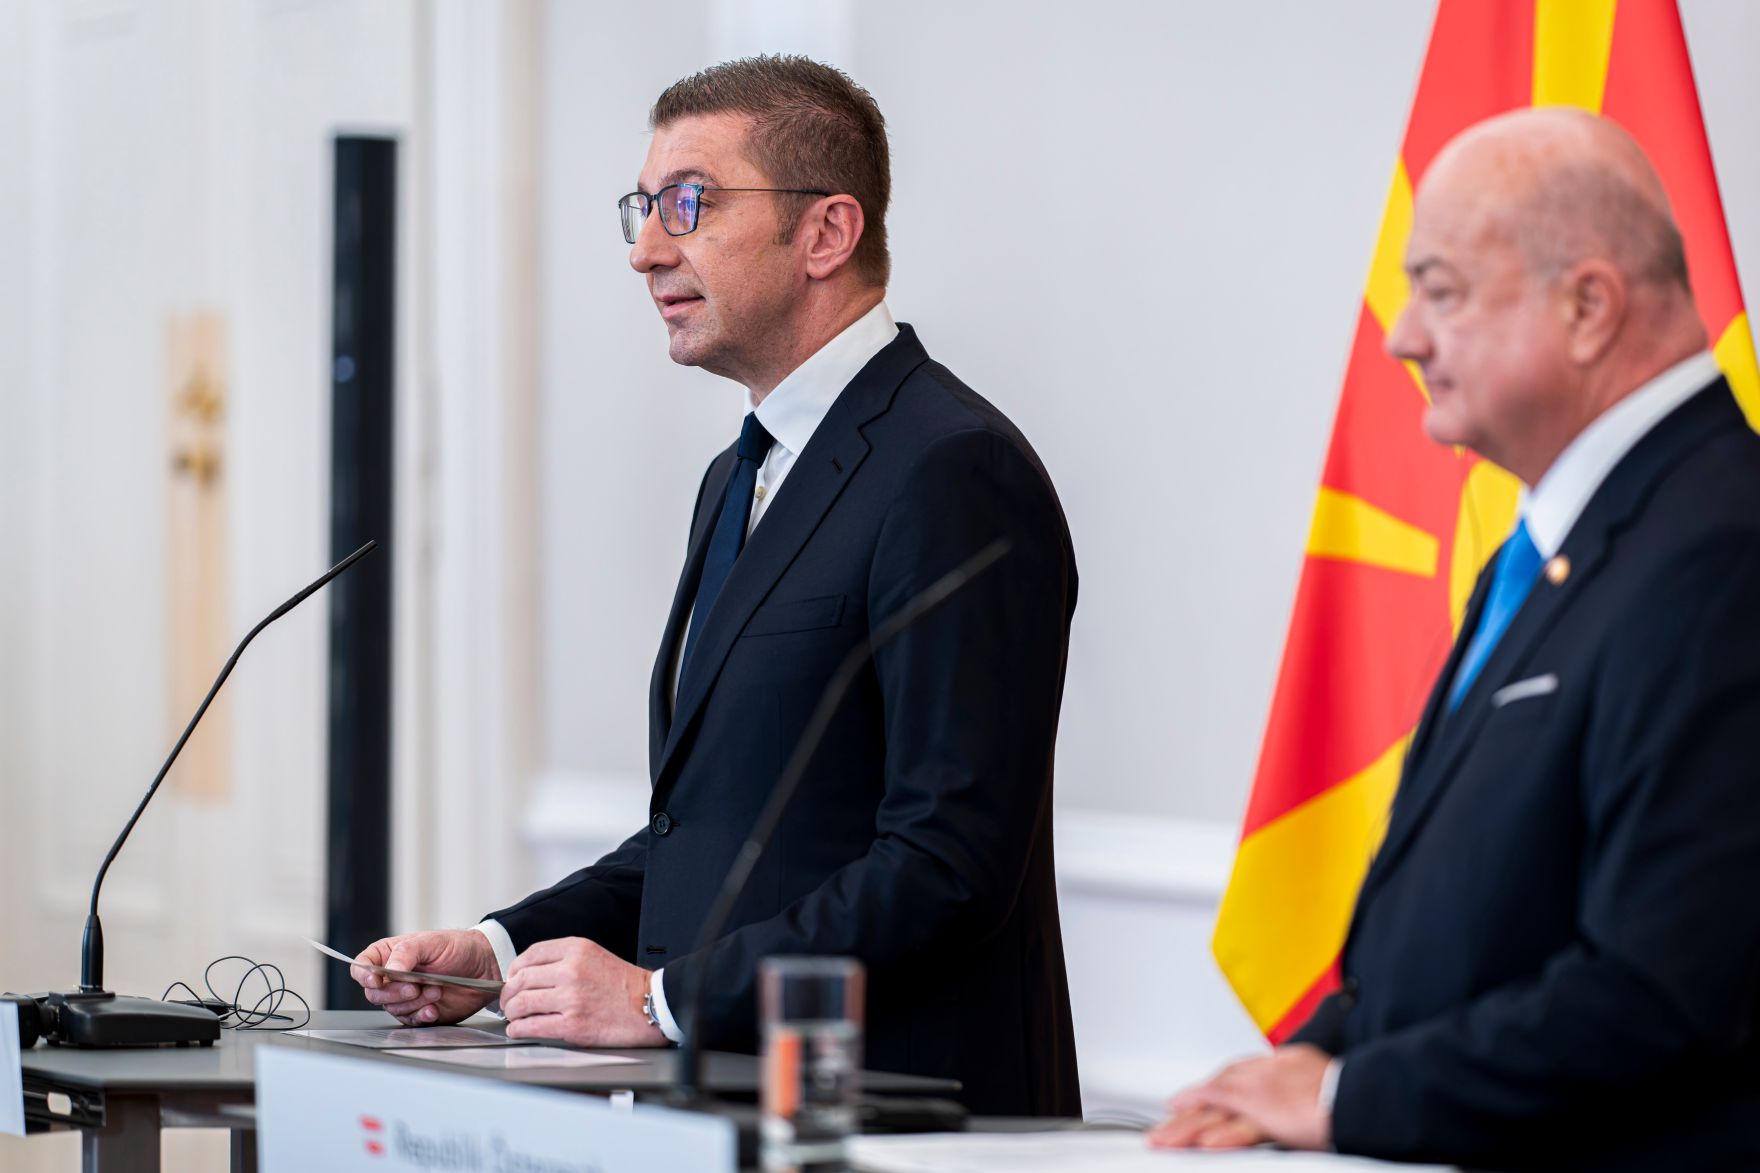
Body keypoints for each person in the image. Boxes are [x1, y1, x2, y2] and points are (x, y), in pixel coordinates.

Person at [351, 55, 1082, 1117]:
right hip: (738, 1109)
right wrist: (497, 951)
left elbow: (947, 863)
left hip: (903, 1117)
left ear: (824, 234)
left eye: (688, 205)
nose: (648, 249)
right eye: (642, 208)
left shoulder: (952, 469)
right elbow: (712, 837)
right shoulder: (734, 477)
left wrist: (663, 1002)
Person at [1154, 107, 1760, 1168]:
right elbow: (1473, 925)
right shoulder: (1542, 545)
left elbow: (1665, 989)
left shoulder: (1723, 549)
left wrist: (1346, 1096)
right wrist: (1300, 1068)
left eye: (1438, 291)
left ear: (1586, 307)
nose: (1401, 337)